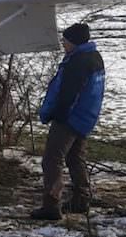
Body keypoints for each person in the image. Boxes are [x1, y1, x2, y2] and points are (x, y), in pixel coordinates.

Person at [32, 23, 106, 221]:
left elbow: (68, 95)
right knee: (74, 158)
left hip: (69, 118)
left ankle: (51, 205)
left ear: (74, 42)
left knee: (51, 160)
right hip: (85, 116)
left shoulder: (78, 62)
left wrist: (55, 114)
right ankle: (82, 200)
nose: (63, 43)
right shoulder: (94, 58)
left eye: (65, 40)